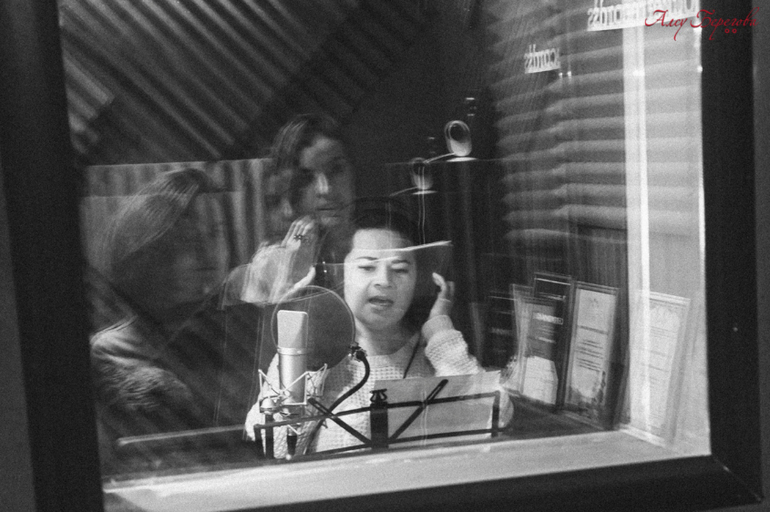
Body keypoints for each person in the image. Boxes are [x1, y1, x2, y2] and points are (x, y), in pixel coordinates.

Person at [245, 200, 511, 457]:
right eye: (367, 267)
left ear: (421, 279)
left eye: (400, 269)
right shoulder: (313, 356)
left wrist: (439, 331)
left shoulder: (434, 353)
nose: (384, 281)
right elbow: (277, 448)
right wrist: (303, 347)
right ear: (338, 274)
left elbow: (495, 417)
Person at [90, 168, 245, 463]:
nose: (207, 252)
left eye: (215, 234)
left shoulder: (237, 332)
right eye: (187, 239)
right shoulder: (107, 354)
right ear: (153, 248)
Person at [240, 113, 355, 304]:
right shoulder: (269, 265)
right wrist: (293, 274)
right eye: (307, 177)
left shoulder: (376, 250)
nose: (325, 189)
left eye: (336, 170)